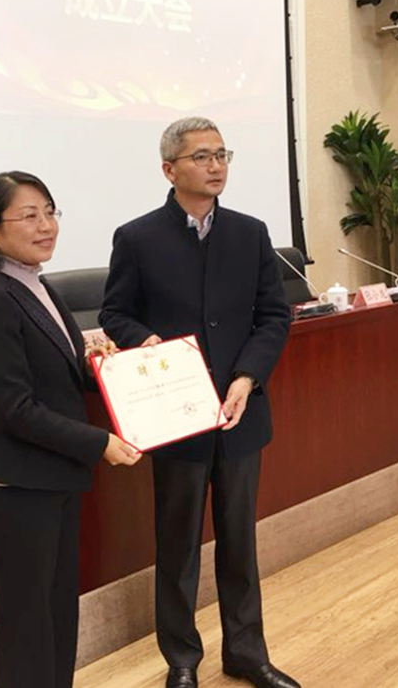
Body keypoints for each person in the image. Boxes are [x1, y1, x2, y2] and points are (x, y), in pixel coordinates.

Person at [99, 118, 300, 688]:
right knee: (178, 544)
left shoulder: (250, 232)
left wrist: (248, 377)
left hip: (239, 413)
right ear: (169, 169)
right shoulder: (137, 237)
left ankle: (246, 652)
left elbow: (273, 315)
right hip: (175, 415)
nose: (216, 166)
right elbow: (115, 312)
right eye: (202, 156)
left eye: (222, 155)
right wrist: (145, 340)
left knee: (239, 541)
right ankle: (182, 659)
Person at [0, 171, 141, 688]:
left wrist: (112, 367)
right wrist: (100, 443)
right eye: (28, 216)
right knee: (27, 625)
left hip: (54, 479)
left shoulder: (40, 285)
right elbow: (14, 408)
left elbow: (63, 372)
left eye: (49, 212)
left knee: (57, 613)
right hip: (18, 487)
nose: (45, 226)